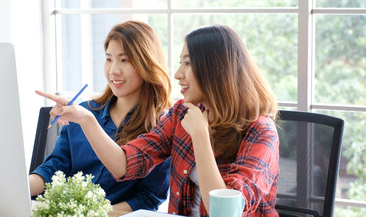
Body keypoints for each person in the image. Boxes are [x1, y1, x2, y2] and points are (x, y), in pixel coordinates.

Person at [37, 24, 280, 216]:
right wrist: (88, 120)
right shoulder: (180, 115)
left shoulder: (261, 132)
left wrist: (200, 136)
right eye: (179, 63)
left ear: (214, 70)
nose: (177, 74)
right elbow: (124, 165)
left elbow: (225, 212)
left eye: (187, 64)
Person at [30, 20, 173, 212]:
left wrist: (92, 214)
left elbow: (148, 198)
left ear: (146, 63)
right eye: (108, 59)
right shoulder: (83, 111)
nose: (113, 70)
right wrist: (18, 187)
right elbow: (54, 168)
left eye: (125, 60)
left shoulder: (161, 129)